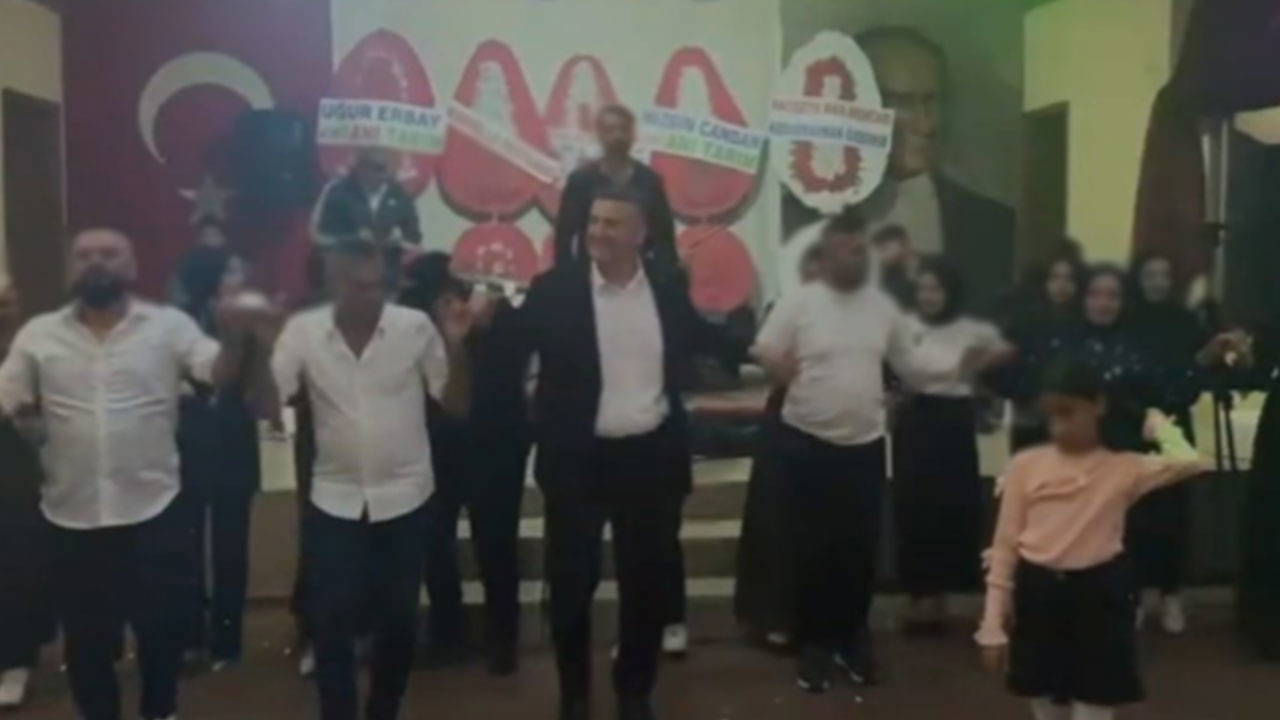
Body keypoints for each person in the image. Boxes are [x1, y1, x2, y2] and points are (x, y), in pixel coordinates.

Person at [0, 228, 270, 720]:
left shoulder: (169, 326)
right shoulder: (38, 335)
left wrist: (236, 335)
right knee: (87, 645)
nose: (96, 262)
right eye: (84, 254)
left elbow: (218, 374)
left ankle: (159, 711)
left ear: (132, 267)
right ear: (70, 268)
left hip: (154, 510)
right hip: (71, 515)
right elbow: (7, 396)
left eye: (110, 254)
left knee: (161, 636)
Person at [753, 208, 1002, 693]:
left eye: (859, 250)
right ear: (827, 253)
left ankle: (853, 640)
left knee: (858, 550)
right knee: (812, 549)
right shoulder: (800, 302)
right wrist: (780, 369)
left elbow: (912, 365)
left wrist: (961, 365)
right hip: (806, 442)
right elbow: (763, 346)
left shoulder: (881, 308)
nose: (853, 257)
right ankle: (815, 646)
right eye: (844, 249)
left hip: (863, 447)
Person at [515, 187, 738, 720]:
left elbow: (704, 339)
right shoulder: (554, 290)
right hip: (577, 462)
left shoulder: (665, 287)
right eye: (593, 221)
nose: (597, 232)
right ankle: (574, 695)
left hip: (650, 458)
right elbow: (509, 348)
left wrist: (765, 348)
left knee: (647, 585)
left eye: (612, 223)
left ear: (641, 233)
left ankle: (634, 691)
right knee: (571, 586)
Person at [269, 240, 473, 720]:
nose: (369, 296)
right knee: (330, 620)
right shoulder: (303, 332)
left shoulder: (415, 327)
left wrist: (456, 343)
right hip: (334, 497)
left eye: (377, 285)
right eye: (356, 286)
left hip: (407, 497)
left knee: (399, 622)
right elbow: (272, 400)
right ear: (332, 285)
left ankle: (384, 710)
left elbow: (456, 404)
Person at [977, 360, 1207, 720]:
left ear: (1097, 406)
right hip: (1040, 596)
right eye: (1051, 415)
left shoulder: (1124, 467)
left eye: (1068, 412)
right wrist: (992, 626)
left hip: (1099, 597)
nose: (1058, 425)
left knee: (1095, 704)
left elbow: (1192, 462)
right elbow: (1005, 549)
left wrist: (1160, 427)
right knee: (1046, 704)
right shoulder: (1026, 466)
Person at [780, 27, 1015, 314]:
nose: (927, 124)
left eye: (932, 101)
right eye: (901, 103)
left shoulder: (997, 227)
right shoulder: (791, 222)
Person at [399, 253, 531, 676]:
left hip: (494, 440)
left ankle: (498, 638)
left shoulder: (498, 312)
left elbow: (516, 368)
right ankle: (453, 632)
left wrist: (485, 329)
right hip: (440, 442)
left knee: (494, 542)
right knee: (439, 541)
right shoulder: (413, 318)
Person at [891, 258, 1011, 631]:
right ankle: (918, 595)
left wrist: (972, 368)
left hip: (953, 424)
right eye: (923, 288)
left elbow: (1005, 350)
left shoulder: (969, 329)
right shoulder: (903, 326)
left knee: (951, 506)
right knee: (914, 506)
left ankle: (941, 596)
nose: (929, 296)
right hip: (915, 420)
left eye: (936, 289)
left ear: (950, 292)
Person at [173, 246, 263, 668]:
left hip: (234, 441)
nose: (239, 277)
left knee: (232, 547)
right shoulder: (177, 322)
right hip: (185, 442)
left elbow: (262, 384)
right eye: (231, 270)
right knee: (185, 544)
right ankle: (189, 635)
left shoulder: (251, 323)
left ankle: (228, 639)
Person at [734, 243, 827, 650]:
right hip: (787, 425)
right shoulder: (785, 310)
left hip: (830, 429)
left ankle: (815, 617)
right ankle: (772, 616)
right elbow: (767, 356)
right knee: (776, 523)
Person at [1124, 253, 1210, 635]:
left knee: (1173, 514)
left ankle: (1172, 595)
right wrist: (1141, 411)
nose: (1157, 282)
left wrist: (1170, 407)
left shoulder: (1185, 321)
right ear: (1138, 278)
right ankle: (1136, 595)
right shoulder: (1125, 320)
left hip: (1175, 426)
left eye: (1164, 275)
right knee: (1135, 514)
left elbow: (1195, 375)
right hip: (1134, 427)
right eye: (1150, 275)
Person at [0, 281, 54, 709]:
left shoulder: (33, 353)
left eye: (7, 302)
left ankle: (16, 663)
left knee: (16, 567)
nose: (2, 310)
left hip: (14, 472)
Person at [553, 105, 678, 273]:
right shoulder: (581, 181)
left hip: (639, 276)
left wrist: (667, 274)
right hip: (590, 275)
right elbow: (565, 235)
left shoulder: (650, 181)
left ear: (633, 134)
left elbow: (665, 237)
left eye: (623, 129)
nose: (618, 136)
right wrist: (564, 274)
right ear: (599, 135)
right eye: (610, 130)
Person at [990, 250, 1088, 450]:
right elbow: (1003, 368)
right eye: (1055, 278)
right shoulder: (1025, 321)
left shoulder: (1086, 325)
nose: (1061, 285)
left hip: (1072, 421)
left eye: (1069, 279)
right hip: (1030, 418)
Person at [315, 147, 423, 288]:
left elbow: (414, 238)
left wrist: (397, 241)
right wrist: (354, 238)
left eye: (388, 169)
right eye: (378, 168)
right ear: (361, 168)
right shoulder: (338, 192)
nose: (384, 175)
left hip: (385, 277)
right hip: (345, 274)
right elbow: (320, 235)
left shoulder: (400, 195)